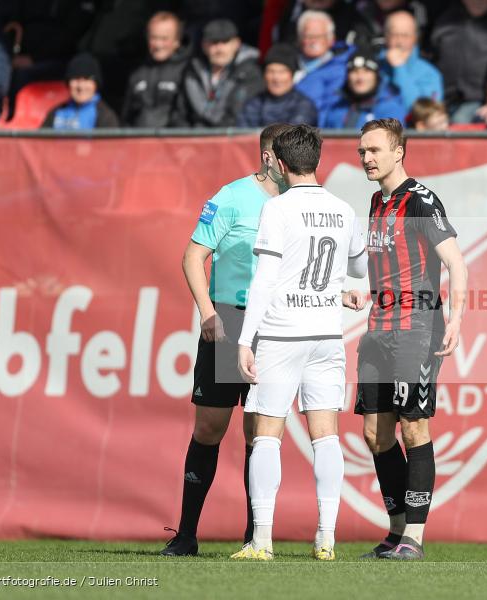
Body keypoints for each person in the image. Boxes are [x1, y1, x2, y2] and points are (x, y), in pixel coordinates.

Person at [232, 125, 368, 561]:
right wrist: (337, 289)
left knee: (267, 435)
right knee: (326, 436)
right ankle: (326, 538)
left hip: (281, 333)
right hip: (327, 335)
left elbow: (267, 279)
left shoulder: (278, 208)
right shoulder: (343, 209)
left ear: (282, 164)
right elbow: (360, 269)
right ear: (318, 161)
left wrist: (245, 339)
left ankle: (262, 540)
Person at [161, 123, 295, 557]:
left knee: (261, 433)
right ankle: (186, 535)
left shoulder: (303, 202)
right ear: (268, 156)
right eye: (284, 155)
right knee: (210, 428)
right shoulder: (232, 197)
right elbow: (193, 256)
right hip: (230, 320)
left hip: (275, 325)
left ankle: (257, 537)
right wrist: (208, 312)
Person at [355, 118, 468, 560]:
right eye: (362, 151)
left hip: (416, 328)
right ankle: (395, 531)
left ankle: (414, 538)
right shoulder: (375, 203)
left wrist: (455, 320)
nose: (366, 158)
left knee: (413, 425)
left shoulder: (421, 200)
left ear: (399, 152)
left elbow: (457, 265)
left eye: (375, 150)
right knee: (375, 434)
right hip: (377, 329)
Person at [430, 0, 487, 123]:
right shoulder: (446, 18)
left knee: (460, 121)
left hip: (481, 99)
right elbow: (432, 56)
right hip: (445, 97)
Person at [171, 19, 263, 128]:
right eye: (213, 42)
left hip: (233, 139)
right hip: (194, 139)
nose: (219, 49)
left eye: (225, 42)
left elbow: (238, 116)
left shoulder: (250, 73)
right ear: (204, 45)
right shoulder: (191, 70)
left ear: (237, 44)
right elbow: (180, 113)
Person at [121, 11, 190, 128]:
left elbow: (187, 116)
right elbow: (127, 115)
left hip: (172, 142)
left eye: (164, 39)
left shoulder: (187, 71)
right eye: (154, 38)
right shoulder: (138, 72)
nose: (158, 45)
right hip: (139, 141)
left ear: (177, 41)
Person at [377, 10, 443, 114]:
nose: (399, 42)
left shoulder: (430, 74)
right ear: (386, 37)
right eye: (394, 35)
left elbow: (419, 113)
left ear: (415, 38)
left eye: (405, 36)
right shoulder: (374, 66)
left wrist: (399, 68)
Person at [319, 49, 406, 128]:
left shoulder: (390, 110)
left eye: (366, 71)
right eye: (355, 71)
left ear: (376, 76)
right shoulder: (336, 108)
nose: (360, 78)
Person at [239, 44, 319, 127]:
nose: (276, 78)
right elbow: (243, 134)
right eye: (271, 71)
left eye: (282, 72)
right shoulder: (254, 104)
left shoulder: (304, 106)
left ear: (292, 75)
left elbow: (293, 136)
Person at [293, 10, 355, 116]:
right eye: (308, 36)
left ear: (331, 39)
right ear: (300, 39)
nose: (313, 41)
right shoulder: (290, 63)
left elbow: (329, 110)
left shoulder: (341, 69)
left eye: (318, 36)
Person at [41, 53, 120, 129]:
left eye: (86, 80)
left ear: (96, 85)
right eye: (76, 80)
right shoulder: (56, 112)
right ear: (68, 84)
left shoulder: (105, 116)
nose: (81, 87)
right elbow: (39, 141)